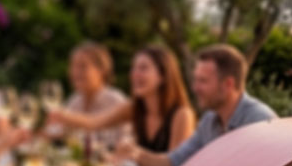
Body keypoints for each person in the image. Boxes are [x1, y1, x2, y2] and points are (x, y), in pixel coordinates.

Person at [116, 43, 276, 166]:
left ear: (228, 84)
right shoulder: (209, 121)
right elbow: (173, 164)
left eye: (203, 81)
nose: (195, 88)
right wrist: (136, 153)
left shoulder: (259, 122)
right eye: (196, 80)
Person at [50, 45, 195, 158]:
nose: (134, 74)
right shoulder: (133, 108)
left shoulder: (182, 115)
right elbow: (94, 123)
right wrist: (60, 115)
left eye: (143, 68)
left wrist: (132, 162)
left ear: (163, 75)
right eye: (134, 68)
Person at [63, 42, 130, 149]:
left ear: (101, 70)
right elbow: (58, 135)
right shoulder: (74, 101)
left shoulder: (116, 101)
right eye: (73, 66)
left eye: (83, 66)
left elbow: (128, 144)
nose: (75, 72)